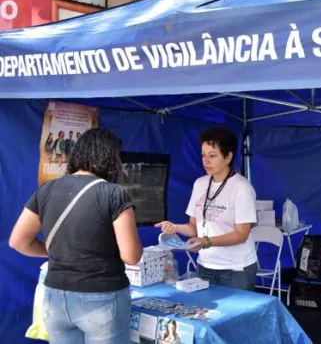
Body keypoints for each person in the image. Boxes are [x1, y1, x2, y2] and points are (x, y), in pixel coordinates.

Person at [9, 128, 143, 344]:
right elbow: (131, 255)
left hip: (55, 297)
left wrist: (57, 252)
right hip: (102, 297)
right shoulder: (113, 193)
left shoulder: (46, 189)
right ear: (110, 158)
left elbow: (18, 241)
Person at [155, 126, 258, 291]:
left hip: (236, 269)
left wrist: (206, 242)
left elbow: (241, 234)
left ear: (228, 156)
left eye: (212, 156)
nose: (206, 161)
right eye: (203, 155)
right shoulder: (200, 184)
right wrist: (175, 227)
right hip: (205, 266)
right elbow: (194, 227)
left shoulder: (242, 187)